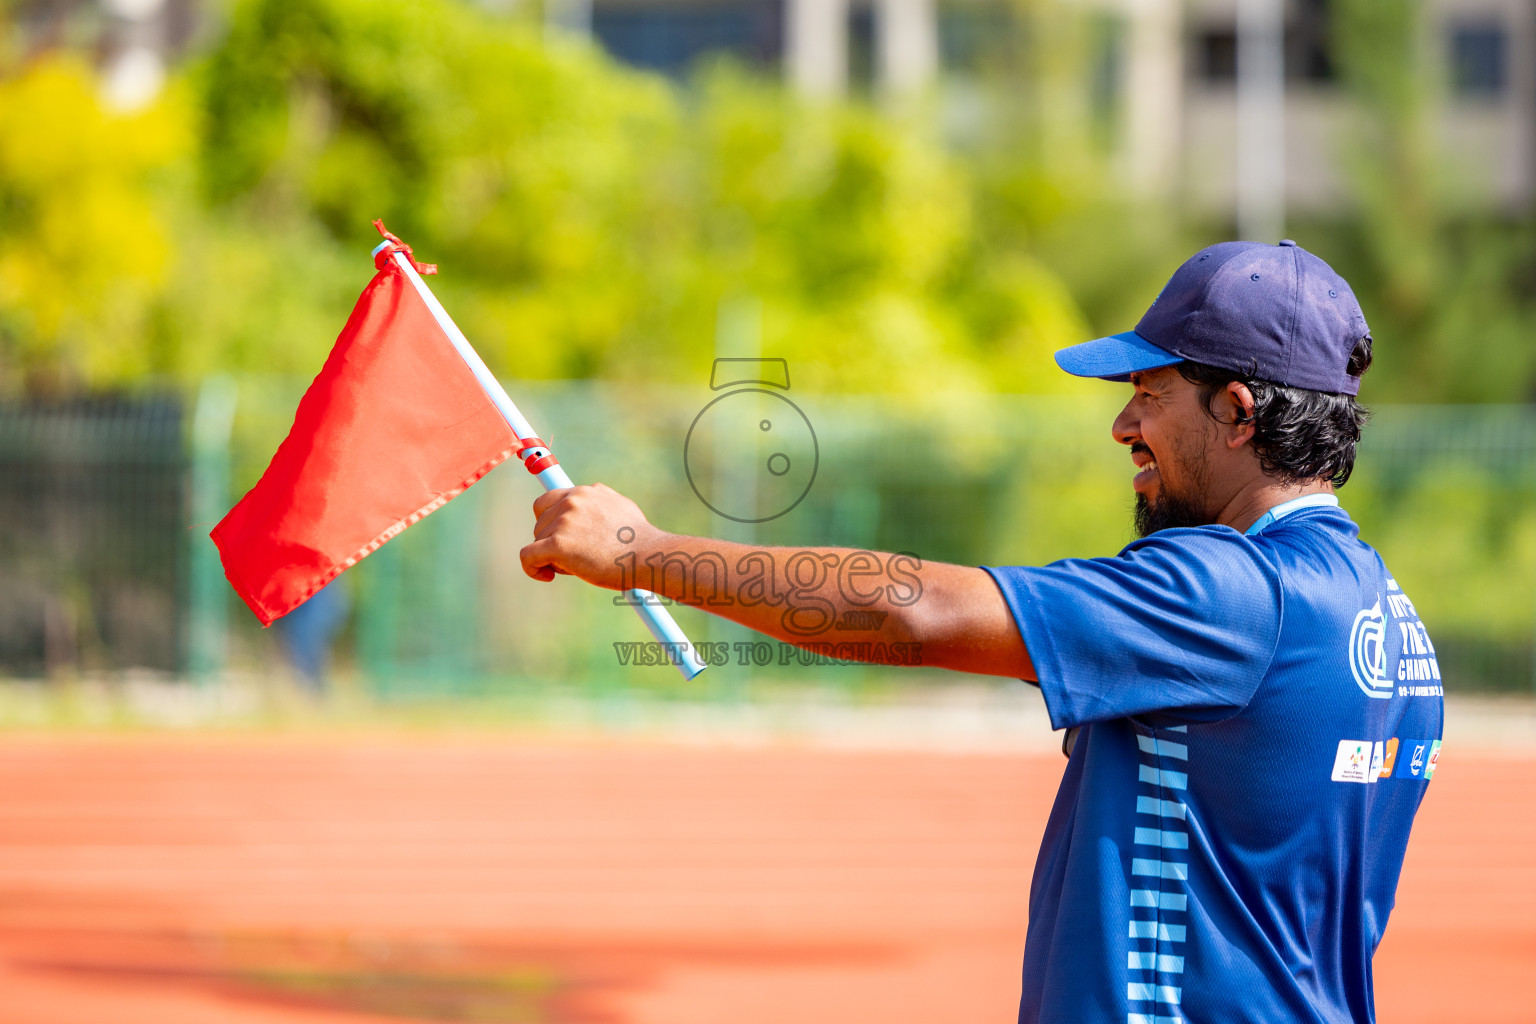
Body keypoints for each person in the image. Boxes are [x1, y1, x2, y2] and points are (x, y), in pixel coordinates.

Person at [519, 240, 1444, 1024]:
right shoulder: (1384, 611)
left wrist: (642, 551)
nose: (1122, 422)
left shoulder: (1235, 590)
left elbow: (911, 612)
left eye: (1149, 394)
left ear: (1237, 413)